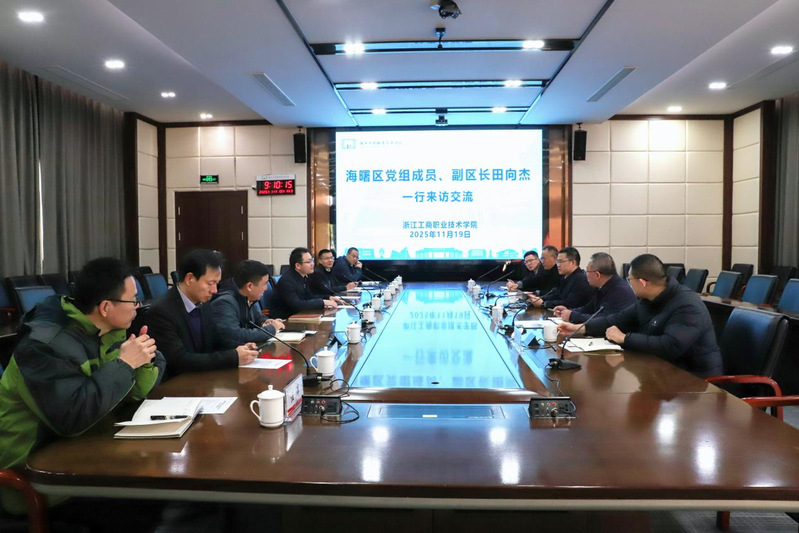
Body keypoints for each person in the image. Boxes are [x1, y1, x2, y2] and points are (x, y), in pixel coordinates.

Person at [0, 257, 165, 514]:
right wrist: (125, 364)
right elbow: (71, 418)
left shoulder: (104, 331)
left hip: (86, 449)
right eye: (133, 300)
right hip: (36, 475)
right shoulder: (44, 347)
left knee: (157, 473)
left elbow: (130, 394)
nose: (138, 306)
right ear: (106, 307)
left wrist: (142, 362)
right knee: (149, 498)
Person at [558, 254, 723, 377]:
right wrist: (580, 328)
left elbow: (671, 345)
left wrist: (625, 338)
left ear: (643, 282)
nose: (628, 284)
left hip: (695, 380)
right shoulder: (647, 299)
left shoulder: (687, 305)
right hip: (662, 370)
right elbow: (617, 319)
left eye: (630, 279)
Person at [146, 249, 259, 380]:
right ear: (190, 279)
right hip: (177, 384)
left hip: (204, 379)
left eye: (217, 283)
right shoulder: (161, 311)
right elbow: (179, 360)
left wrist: (239, 348)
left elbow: (215, 339)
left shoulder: (202, 302)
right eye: (210, 283)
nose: (215, 290)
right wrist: (233, 357)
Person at [211, 260, 285, 348]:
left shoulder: (247, 296)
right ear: (250, 286)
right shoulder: (224, 303)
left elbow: (257, 317)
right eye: (265, 284)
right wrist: (271, 329)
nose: (266, 288)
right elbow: (235, 335)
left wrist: (265, 322)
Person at [553, 252, 637, 323]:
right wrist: (568, 311)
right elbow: (589, 308)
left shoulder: (620, 291)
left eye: (587, 271)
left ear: (597, 275)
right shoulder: (601, 286)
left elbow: (604, 320)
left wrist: (572, 316)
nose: (586, 275)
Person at [270, 247, 343, 320]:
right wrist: (323, 302)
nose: (312, 264)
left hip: (299, 316)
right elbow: (296, 305)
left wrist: (328, 298)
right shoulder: (287, 281)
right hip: (285, 320)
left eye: (312, 260)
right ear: (298, 266)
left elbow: (309, 296)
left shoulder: (303, 277)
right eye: (308, 262)